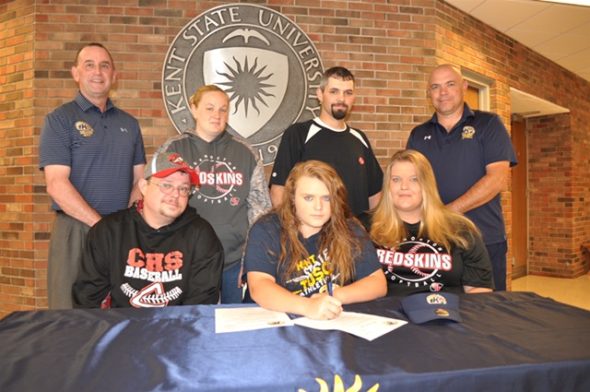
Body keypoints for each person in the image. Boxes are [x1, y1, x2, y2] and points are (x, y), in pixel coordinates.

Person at [39, 42, 146, 309]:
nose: (97, 72)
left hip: (119, 231)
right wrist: (100, 226)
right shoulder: (59, 120)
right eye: (89, 65)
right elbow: (56, 184)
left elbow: (139, 182)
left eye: (104, 65)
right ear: (76, 73)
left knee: (121, 310)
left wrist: (122, 226)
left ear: (114, 75)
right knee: (69, 314)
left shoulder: (129, 124)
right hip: (76, 231)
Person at [156, 85, 271, 303]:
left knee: (236, 327)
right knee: (191, 325)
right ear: (194, 109)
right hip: (185, 261)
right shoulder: (173, 149)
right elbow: (155, 204)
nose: (216, 115)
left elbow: (260, 210)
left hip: (234, 262)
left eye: (223, 109)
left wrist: (252, 259)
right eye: (209, 108)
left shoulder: (246, 152)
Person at [406, 64, 517, 290]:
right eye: (435, 87)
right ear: (429, 93)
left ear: (464, 87)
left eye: (450, 84)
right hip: (435, 242)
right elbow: (410, 183)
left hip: (485, 237)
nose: (442, 92)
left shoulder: (489, 124)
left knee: (489, 313)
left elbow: (497, 179)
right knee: (440, 310)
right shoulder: (419, 134)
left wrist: (448, 213)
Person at [73, 152, 224, 308]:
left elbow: (201, 304)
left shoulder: (201, 234)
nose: (175, 194)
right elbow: (88, 299)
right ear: (144, 187)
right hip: (122, 327)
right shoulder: (108, 231)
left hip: (178, 328)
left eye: (184, 188)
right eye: (167, 185)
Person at [244, 160, 387, 320]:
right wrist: (308, 306)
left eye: (326, 198)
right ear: (292, 199)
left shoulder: (349, 228)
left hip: (328, 320)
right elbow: (260, 286)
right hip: (275, 320)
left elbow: (377, 282)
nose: (318, 207)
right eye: (309, 198)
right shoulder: (267, 228)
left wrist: (333, 296)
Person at [370, 150, 494, 296]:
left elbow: (478, 289)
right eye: (396, 179)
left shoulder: (460, 230)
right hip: (385, 315)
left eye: (414, 179)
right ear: (387, 186)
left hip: (444, 313)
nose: (404, 186)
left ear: (427, 185)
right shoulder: (365, 228)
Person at [269, 66, 383, 222]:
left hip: (355, 240)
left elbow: (375, 195)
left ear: (354, 97)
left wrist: (370, 232)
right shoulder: (299, 134)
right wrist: (294, 235)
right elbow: (278, 192)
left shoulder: (360, 139)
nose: (341, 99)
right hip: (312, 241)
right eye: (334, 91)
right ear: (320, 95)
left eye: (348, 93)